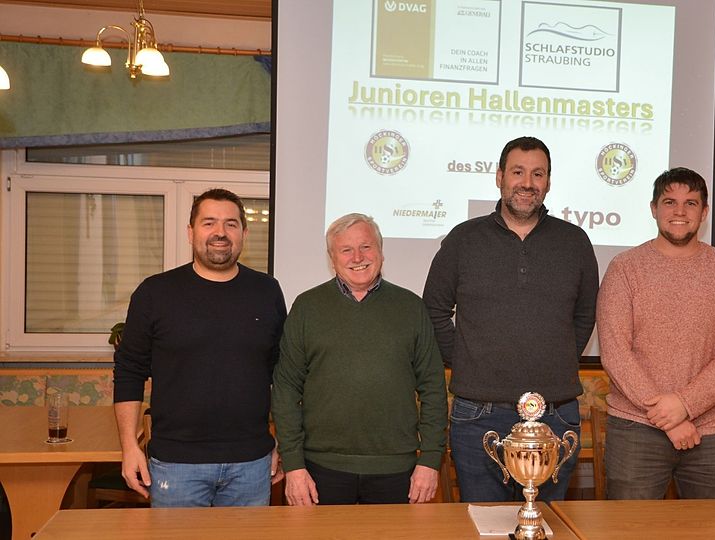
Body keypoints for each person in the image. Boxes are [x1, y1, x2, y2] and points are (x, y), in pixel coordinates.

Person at [422, 136, 599, 502]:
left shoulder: (575, 242)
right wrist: (468, 359)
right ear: (500, 176)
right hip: (478, 416)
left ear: (548, 182)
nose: (527, 183)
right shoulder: (463, 239)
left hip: (556, 415)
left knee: (547, 525)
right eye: (518, 172)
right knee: (484, 525)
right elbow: (434, 309)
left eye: (538, 174)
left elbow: (585, 315)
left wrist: (558, 357)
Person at [113, 188, 287, 507]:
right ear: (191, 232)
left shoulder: (267, 291)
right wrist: (129, 446)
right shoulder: (154, 293)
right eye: (209, 223)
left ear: (244, 233)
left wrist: (280, 442)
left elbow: (282, 375)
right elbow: (129, 371)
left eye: (231, 224)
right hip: (176, 466)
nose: (220, 232)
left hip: (251, 464)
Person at [596, 167, 715, 499]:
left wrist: (684, 405)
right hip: (635, 431)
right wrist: (671, 419)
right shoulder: (625, 268)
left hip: (712, 433)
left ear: (705, 212)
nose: (679, 212)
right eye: (669, 202)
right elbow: (615, 352)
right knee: (629, 534)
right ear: (654, 209)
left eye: (691, 203)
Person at [272, 213, 447, 505]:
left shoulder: (411, 308)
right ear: (332, 258)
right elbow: (286, 389)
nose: (358, 257)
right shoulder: (306, 308)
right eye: (346, 250)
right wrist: (294, 465)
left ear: (380, 252)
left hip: (397, 470)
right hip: (320, 470)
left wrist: (429, 460)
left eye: (366, 247)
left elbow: (433, 388)